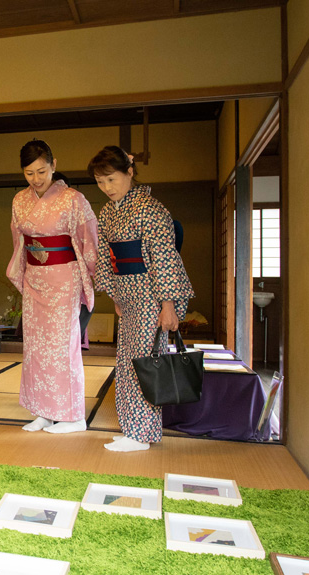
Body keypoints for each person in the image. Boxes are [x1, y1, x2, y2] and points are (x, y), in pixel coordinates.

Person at [90, 145, 194, 452]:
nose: (106, 188)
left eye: (111, 179)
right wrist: (114, 295)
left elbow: (164, 258)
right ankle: (133, 430)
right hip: (128, 295)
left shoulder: (151, 210)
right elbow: (107, 257)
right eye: (100, 181)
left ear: (130, 173)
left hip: (151, 295)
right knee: (126, 363)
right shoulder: (108, 212)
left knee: (145, 364)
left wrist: (168, 304)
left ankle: (140, 434)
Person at [6, 140, 98, 434]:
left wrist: (91, 277)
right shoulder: (20, 200)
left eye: (42, 171)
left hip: (64, 277)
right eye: (29, 173)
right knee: (35, 347)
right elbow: (18, 240)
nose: (36, 179)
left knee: (62, 347)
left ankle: (73, 416)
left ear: (54, 165)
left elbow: (88, 239)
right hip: (35, 276)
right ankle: (44, 412)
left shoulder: (73, 198)